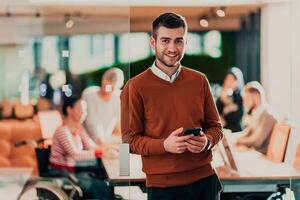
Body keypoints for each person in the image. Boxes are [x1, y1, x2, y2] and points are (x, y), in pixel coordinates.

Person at [121, 12, 223, 200]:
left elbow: (216, 128)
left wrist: (207, 141)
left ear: (185, 42)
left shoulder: (200, 80)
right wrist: (164, 145)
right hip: (163, 188)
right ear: (153, 42)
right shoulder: (134, 87)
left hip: (205, 181)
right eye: (165, 40)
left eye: (179, 41)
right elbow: (129, 141)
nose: (172, 48)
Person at [49, 96, 110, 200]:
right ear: (69, 110)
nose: (85, 113)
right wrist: (100, 153)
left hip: (73, 169)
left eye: (85, 110)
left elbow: (91, 146)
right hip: (62, 171)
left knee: (104, 185)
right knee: (100, 187)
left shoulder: (78, 128)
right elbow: (76, 155)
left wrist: (108, 149)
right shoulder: (62, 130)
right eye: (81, 110)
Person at [82, 68, 124, 145]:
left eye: (112, 88)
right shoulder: (89, 95)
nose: (107, 91)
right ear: (102, 81)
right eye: (106, 87)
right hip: (88, 143)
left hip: (105, 142)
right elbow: (92, 124)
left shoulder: (118, 97)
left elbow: (121, 125)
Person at [236, 81, 277, 154]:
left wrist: (236, 140)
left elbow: (257, 141)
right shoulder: (256, 112)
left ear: (256, 96)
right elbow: (246, 132)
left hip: (261, 155)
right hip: (253, 152)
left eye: (247, 98)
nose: (244, 103)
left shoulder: (268, 115)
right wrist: (231, 138)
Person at [216, 67, 244, 132]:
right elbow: (216, 113)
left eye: (232, 80)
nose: (229, 82)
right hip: (222, 130)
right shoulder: (221, 95)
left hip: (235, 130)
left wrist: (228, 104)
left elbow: (238, 115)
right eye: (227, 79)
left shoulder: (240, 97)